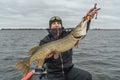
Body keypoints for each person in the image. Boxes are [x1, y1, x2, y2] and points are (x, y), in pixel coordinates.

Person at [39, 7, 98, 80]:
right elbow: (42, 61)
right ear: (50, 26)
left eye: (58, 23)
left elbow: (82, 29)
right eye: (54, 23)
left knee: (87, 76)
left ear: (61, 25)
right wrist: (47, 57)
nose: (56, 25)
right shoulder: (45, 41)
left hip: (69, 70)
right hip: (54, 73)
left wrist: (87, 18)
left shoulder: (68, 35)